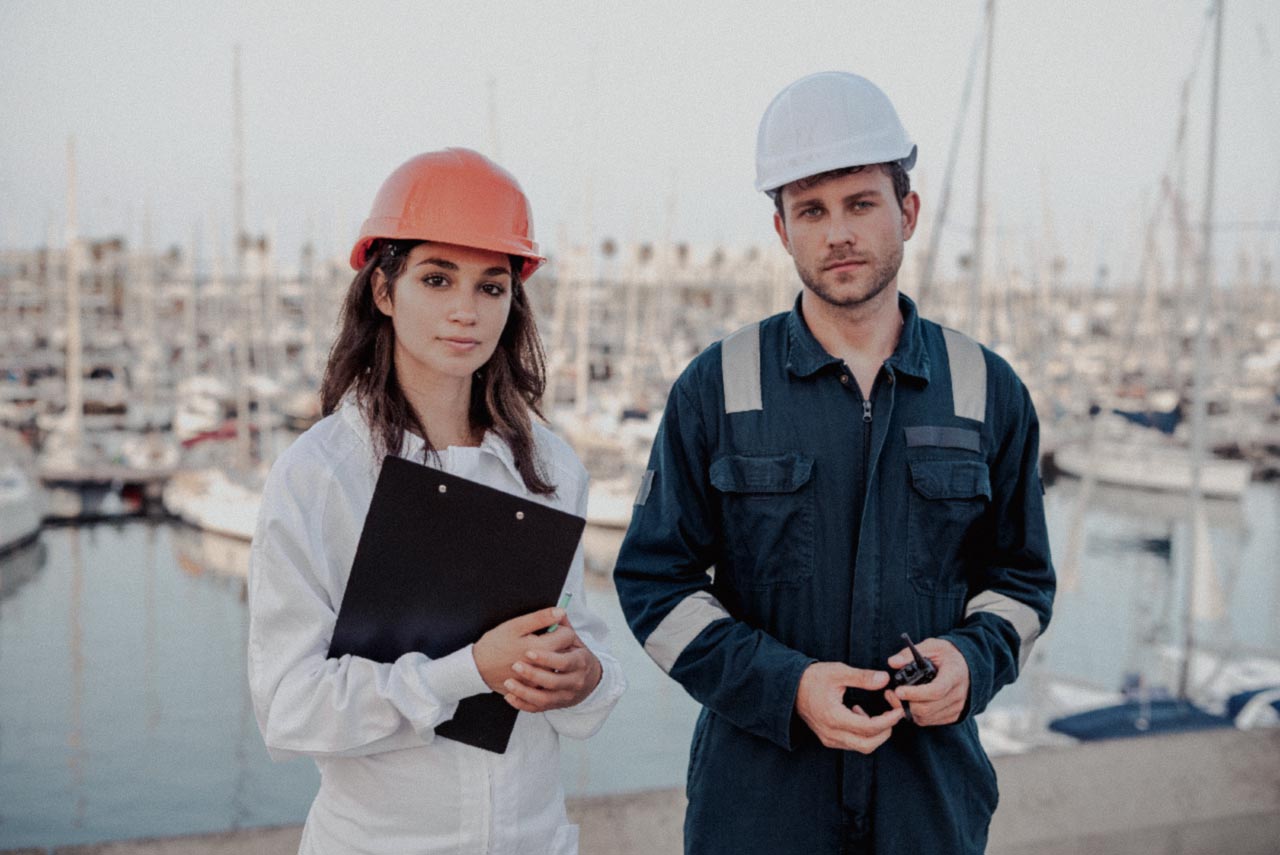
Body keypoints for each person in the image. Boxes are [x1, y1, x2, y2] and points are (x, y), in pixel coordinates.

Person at [614, 72, 1054, 854]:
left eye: (861, 203)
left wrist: (970, 659)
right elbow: (656, 585)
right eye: (810, 210)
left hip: (929, 807)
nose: (837, 232)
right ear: (781, 230)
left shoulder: (986, 390)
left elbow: (1021, 583)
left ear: (907, 212)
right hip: (757, 809)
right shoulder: (718, 387)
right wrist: (787, 687)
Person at [248, 148, 625, 855]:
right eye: (436, 278)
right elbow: (288, 708)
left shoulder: (548, 465)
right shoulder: (318, 476)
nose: (466, 311)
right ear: (383, 290)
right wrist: (466, 672)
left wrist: (587, 673)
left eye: (491, 286)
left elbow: (580, 634)